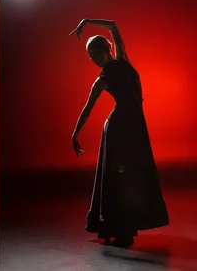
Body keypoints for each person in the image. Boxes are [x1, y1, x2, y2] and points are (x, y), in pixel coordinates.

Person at [69, 19, 169, 247]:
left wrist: (86, 22)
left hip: (134, 126)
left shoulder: (123, 58)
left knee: (134, 175)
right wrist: (75, 133)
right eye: (91, 58)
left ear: (107, 49)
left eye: (96, 55)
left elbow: (113, 25)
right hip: (117, 129)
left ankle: (125, 226)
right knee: (120, 179)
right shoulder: (101, 80)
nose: (94, 61)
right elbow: (87, 108)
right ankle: (119, 228)